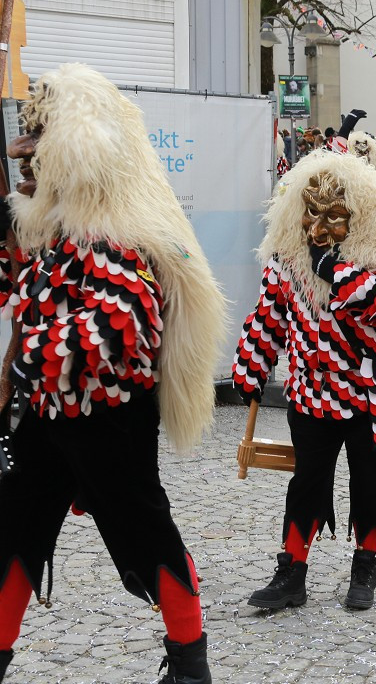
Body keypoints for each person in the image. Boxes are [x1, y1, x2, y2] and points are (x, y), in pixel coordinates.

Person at [0, 63, 226, 684]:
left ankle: (190, 659)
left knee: (144, 530)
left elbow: (120, 324)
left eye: (35, 157)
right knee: (11, 532)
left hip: (109, 423)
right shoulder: (45, 233)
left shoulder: (117, 239)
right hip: (41, 419)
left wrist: (32, 357)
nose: (26, 168)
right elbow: (14, 294)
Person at [234, 150, 376, 617]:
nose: (320, 226)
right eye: (311, 213)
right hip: (312, 391)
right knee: (306, 483)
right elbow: (270, 315)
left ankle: (365, 565)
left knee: (371, 483)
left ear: (358, 215)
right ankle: (291, 570)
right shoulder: (286, 259)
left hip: (374, 394)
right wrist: (252, 365)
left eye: (334, 215)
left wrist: (333, 272)